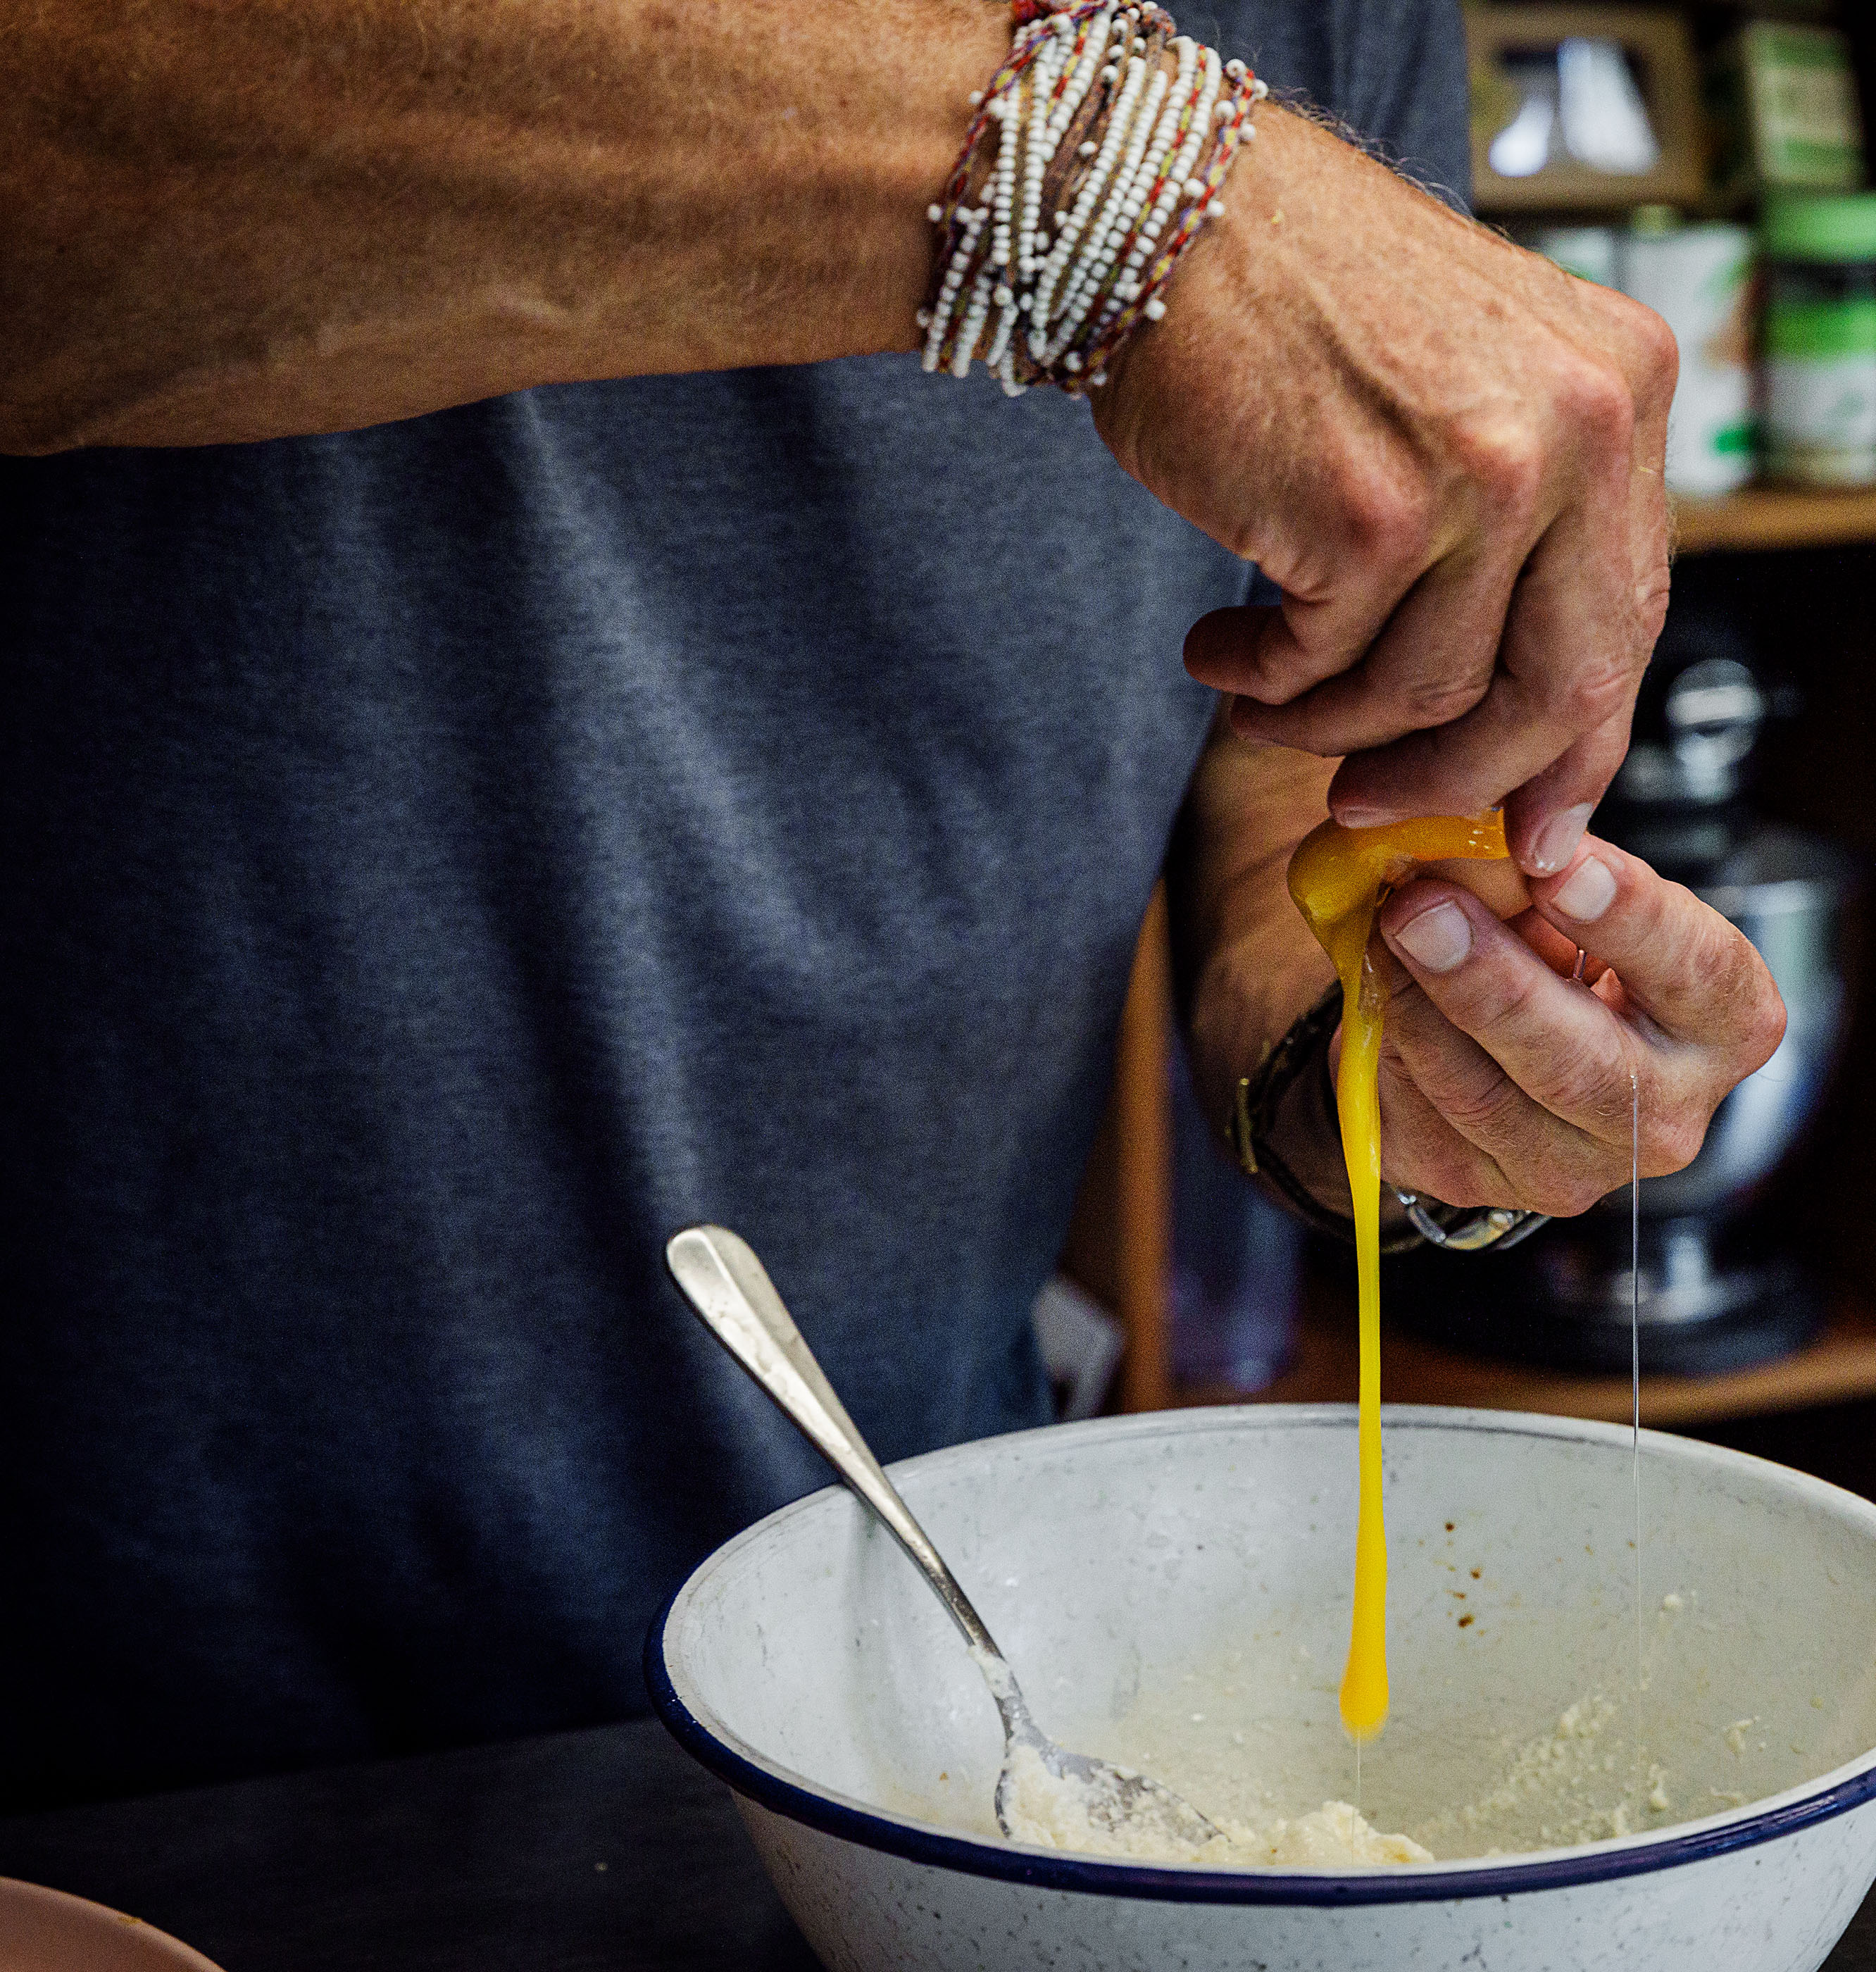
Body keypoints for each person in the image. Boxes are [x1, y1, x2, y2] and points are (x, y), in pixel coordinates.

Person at [0, 0, 1783, 1811]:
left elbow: (1290, 750)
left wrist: (1398, 1035)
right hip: (112, 1693)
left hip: (914, 1642)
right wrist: (1104, 169)